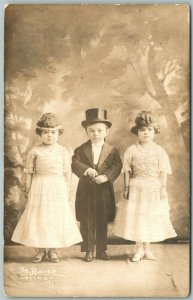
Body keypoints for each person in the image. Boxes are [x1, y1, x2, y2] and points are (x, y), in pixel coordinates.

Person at [12, 113, 82, 263]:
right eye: (45, 132)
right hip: (39, 186)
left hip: (57, 186)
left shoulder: (63, 151)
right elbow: (29, 172)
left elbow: (67, 173)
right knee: (40, 217)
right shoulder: (35, 151)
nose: (49, 136)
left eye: (53, 132)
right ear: (40, 133)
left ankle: (53, 250)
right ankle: (40, 250)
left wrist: (67, 190)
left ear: (58, 133)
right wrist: (28, 189)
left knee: (54, 217)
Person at [113, 111, 177, 262]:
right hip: (136, 188)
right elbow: (127, 171)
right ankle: (139, 249)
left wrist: (162, 189)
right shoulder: (132, 150)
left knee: (149, 217)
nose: (146, 133)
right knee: (137, 218)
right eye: (142, 130)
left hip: (153, 188)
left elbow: (163, 172)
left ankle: (148, 249)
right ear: (137, 132)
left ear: (155, 131)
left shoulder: (159, 151)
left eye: (149, 129)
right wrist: (127, 188)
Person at [71, 108, 122, 262]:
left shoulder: (112, 151)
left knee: (101, 219)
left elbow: (117, 166)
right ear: (87, 132)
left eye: (99, 130)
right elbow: (74, 163)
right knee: (87, 221)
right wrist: (86, 170)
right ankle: (88, 250)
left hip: (103, 190)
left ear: (106, 132)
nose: (96, 134)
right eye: (91, 131)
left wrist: (106, 177)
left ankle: (102, 250)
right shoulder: (80, 149)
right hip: (86, 190)